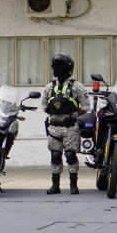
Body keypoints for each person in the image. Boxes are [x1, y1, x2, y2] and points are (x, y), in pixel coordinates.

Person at [42, 53, 89, 195]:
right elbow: (45, 107)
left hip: (70, 127)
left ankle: (73, 185)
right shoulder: (49, 87)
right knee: (55, 155)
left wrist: (73, 115)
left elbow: (86, 106)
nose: (59, 70)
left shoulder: (77, 87)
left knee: (70, 155)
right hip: (54, 127)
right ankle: (55, 185)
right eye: (57, 67)